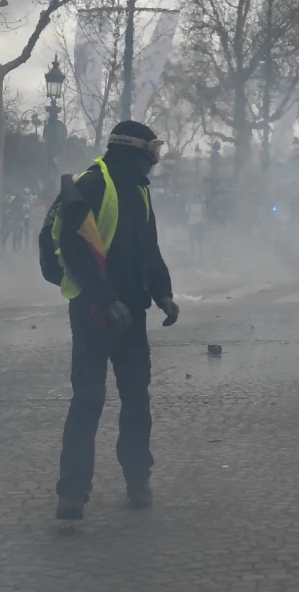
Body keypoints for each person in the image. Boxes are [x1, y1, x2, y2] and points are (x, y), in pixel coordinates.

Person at [52, 121, 180, 521]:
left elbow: (148, 247)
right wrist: (105, 299)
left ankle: (137, 479)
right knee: (89, 400)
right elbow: (72, 250)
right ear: (137, 151)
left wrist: (163, 293)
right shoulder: (93, 184)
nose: (154, 161)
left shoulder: (139, 190)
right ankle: (72, 493)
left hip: (132, 311)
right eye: (152, 151)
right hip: (93, 312)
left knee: (136, 398)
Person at [186, 193, 206, 258]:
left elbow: (204, 212)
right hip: (191, 224)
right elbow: (187, 212)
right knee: (192, 241)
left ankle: (200, 255)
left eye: (197, 198)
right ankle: (193, 255)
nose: (196, 199)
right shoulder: (189, 205)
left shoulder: (202, 205)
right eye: (195, 198)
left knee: (200, 241)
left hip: (200, 224)